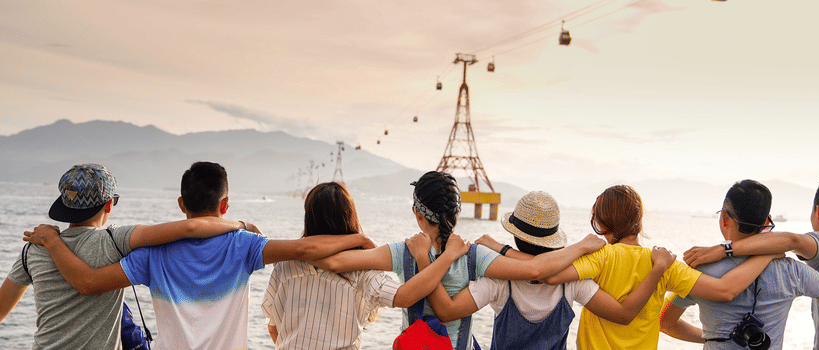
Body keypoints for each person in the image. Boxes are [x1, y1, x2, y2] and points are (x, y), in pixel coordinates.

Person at [20, 162, 375, 349]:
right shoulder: (245, 245)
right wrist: (360, 238)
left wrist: (52, 242)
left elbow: (89, 282)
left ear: (180, 204)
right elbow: (306, 249)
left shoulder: (152, 254)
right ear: (224, 204)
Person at [311, 171, 606, 350]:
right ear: (457, 212)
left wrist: (357, 240)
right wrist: (581, 246)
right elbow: (536, 269)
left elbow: (335, 262)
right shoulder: (475, 255)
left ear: (417, 214)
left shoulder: (402, 251)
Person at [0, 163, 255, 349]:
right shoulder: (116, 242)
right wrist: (242, 225)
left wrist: (51, 240)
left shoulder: (33, 249)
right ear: (109, 204)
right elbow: (191, 227)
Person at [417, 190, 677, 350]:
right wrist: (657, 270)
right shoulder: (574, 282)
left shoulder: (499, 281)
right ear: (553, 238)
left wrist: (425, 261)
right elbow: (622, 314)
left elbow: (446, 311)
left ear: (515, 236)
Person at [541, 184, 779, 350]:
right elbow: (724, 290)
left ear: (601, 222)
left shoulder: (599, 257)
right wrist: (766, 254)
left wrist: (580, 247)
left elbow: (546, 274)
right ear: (639, 218)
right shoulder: (665, 264)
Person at [660, 179, 819, 350]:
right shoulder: (792, 270)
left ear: (724, 218)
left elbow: (665, 322)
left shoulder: (699, 269)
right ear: (766, 223)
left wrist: (714, 336)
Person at [260, 182, 471, 350]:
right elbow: (405, 296)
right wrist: (447, 256)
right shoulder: (362, 271)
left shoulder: (285, 266)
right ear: (350, 217)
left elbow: (273, 328)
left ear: (308, 217)